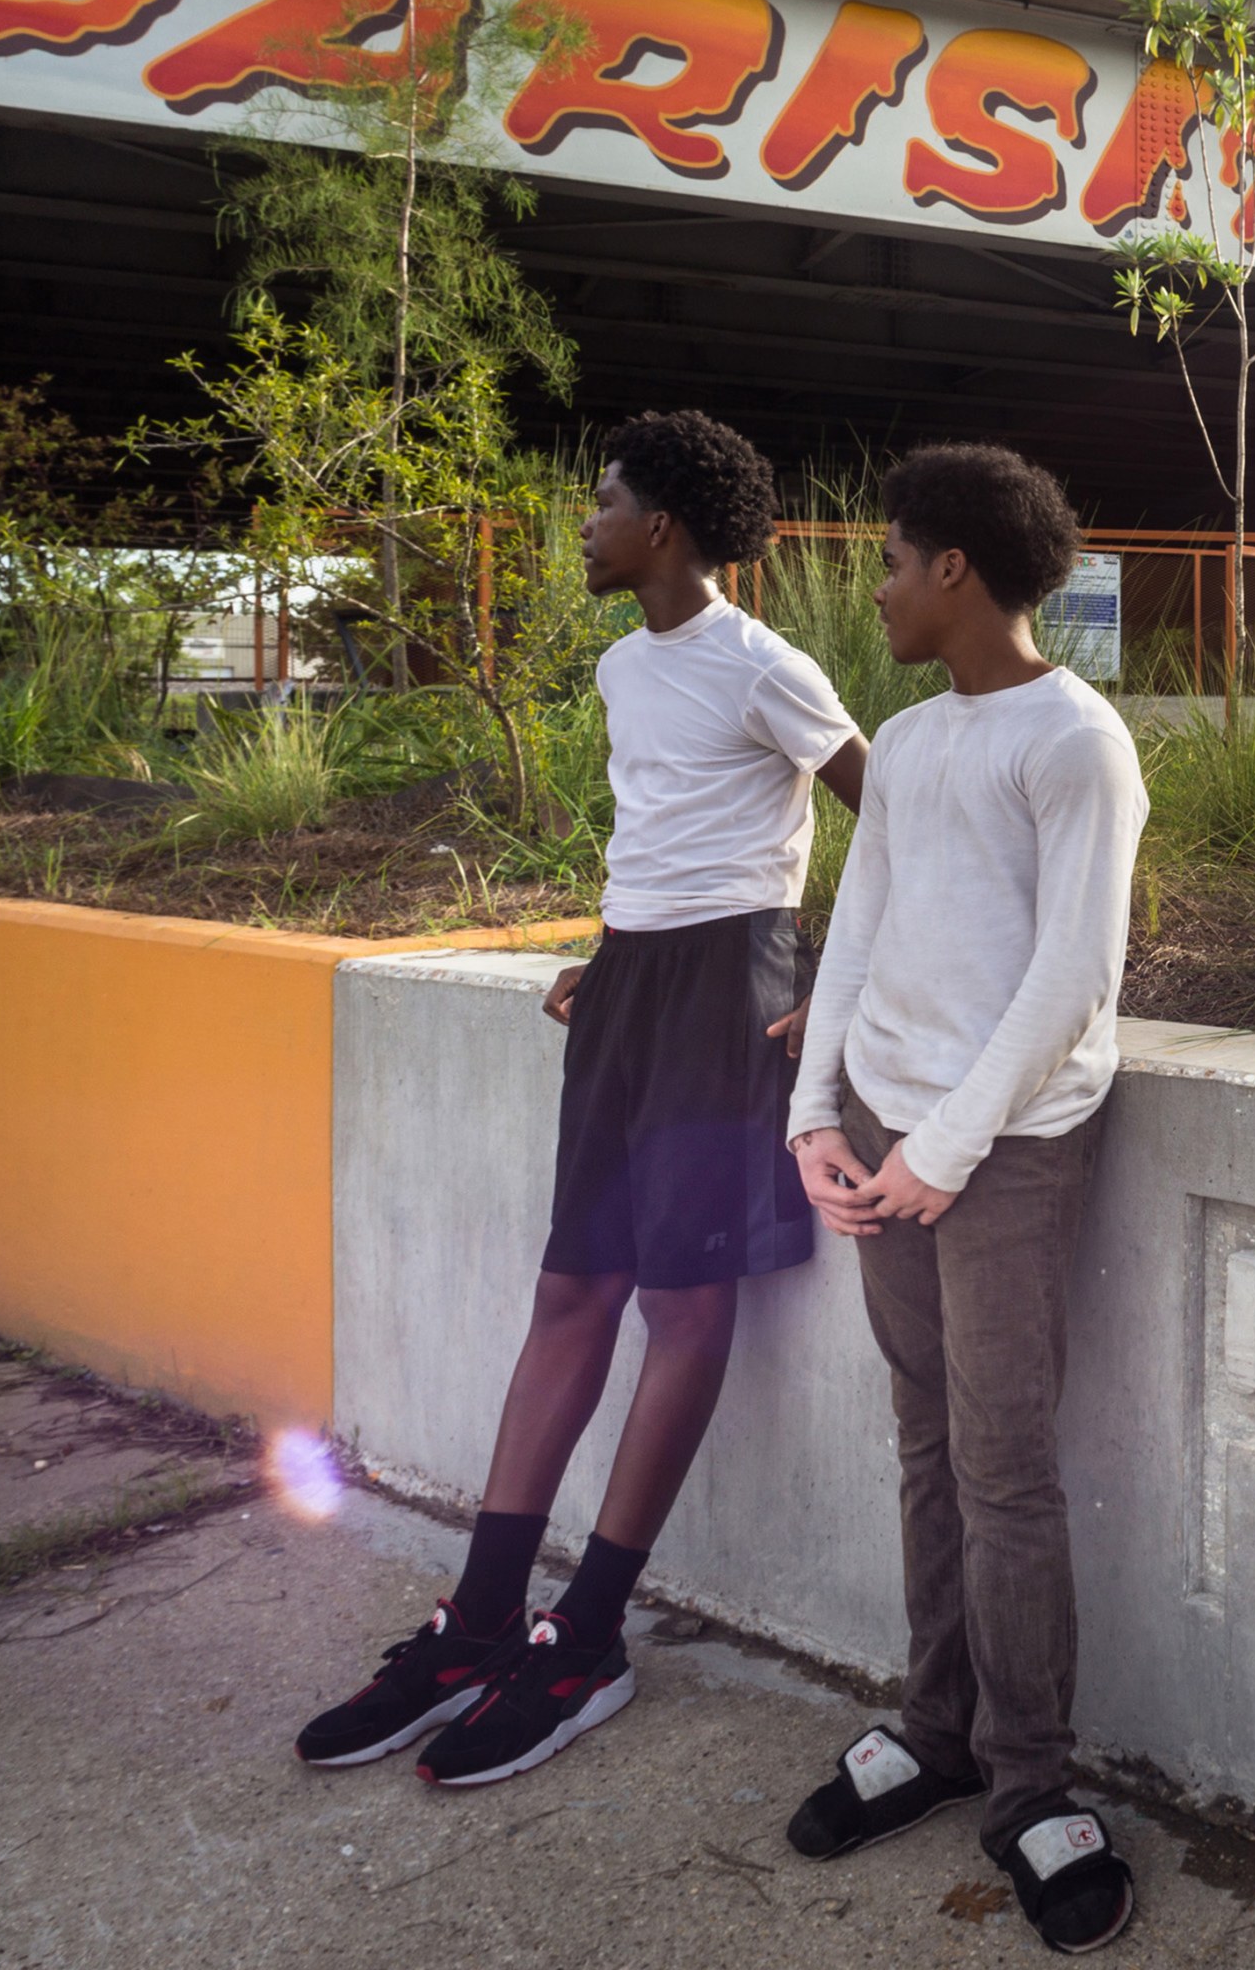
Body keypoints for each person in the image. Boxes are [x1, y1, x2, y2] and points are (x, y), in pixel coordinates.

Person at [294, 410, 865, 1789]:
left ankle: (588, 1636)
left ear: (661, 525)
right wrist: (607, 954)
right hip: (629, 996)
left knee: (681, 1305)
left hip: (731, 993)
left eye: (601, 503)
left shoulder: (764, 666)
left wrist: (833, 981)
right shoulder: (624, 667)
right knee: (571, 1292)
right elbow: (657, 832)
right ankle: (481, 1619)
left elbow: (889, 807)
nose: (585, 525)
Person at [781, 444, 1149, 1955]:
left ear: (954, 571)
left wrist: (948, 1148)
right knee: (925, 1443)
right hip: (881, 1130)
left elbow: (1077, 978)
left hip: (1001, 1154)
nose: (872, 587)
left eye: (887, 561)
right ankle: (934, 1730)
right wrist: (818, 1115)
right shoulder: (913, 745)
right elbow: (855, 933)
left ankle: (1032, 1789)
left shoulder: (1075, 741)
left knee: (1004, 1471)